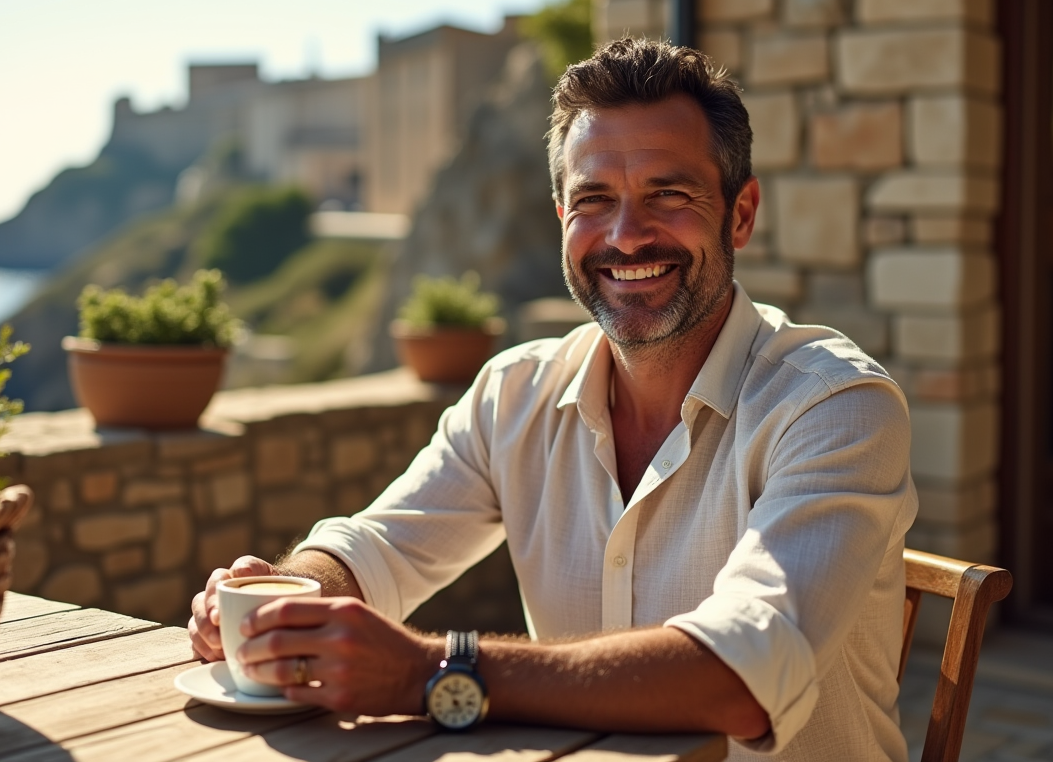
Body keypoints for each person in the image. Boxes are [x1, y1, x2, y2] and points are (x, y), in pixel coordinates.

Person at [188, 37, 917, 761]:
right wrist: (290, 598)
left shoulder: (836, 406)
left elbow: (741, 676)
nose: (627, 237)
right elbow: (376, 548)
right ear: (560, 216)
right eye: (594, 200)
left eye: (669, 194)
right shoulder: (515, 393)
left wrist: (430, 674)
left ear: (741, 213)